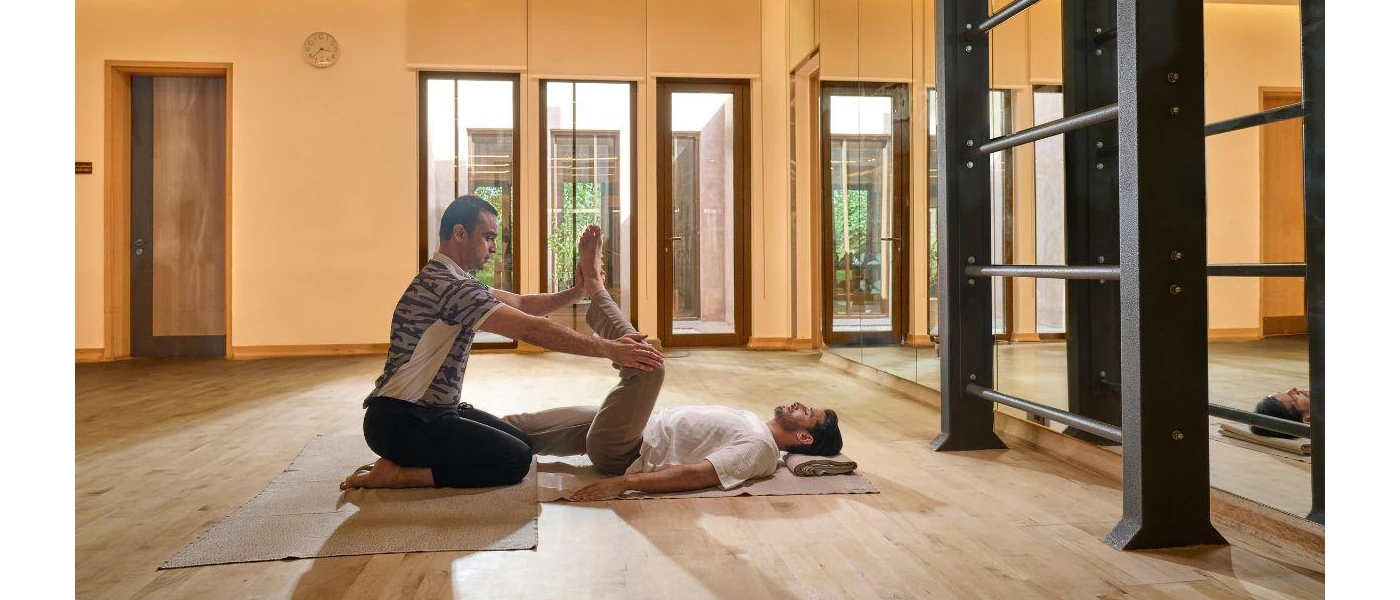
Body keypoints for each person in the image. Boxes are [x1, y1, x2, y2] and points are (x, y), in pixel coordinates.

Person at [341, 195, 664, 491]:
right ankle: (401, 476)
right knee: (514, 460)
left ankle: (411, 460)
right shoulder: (450, 287)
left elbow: (523, 304)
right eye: (489, 236)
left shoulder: (453, 279)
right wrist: (609, 348)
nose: (494, 247)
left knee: (520, 441)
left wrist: (579, 291)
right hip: (403, 422)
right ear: (459, 233)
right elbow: (532, 329)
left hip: (429, 413)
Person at [506, 399, 843, 501]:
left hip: (630, 446)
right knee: (519, 430)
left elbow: (699, 475)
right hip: (636, 427)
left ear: (804, 438)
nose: (799, 404)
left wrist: (624, 483)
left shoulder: (758, 448)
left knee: (647, 371)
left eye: (807, 412)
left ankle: (596, 290)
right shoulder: (756, 426)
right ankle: (477, 441)